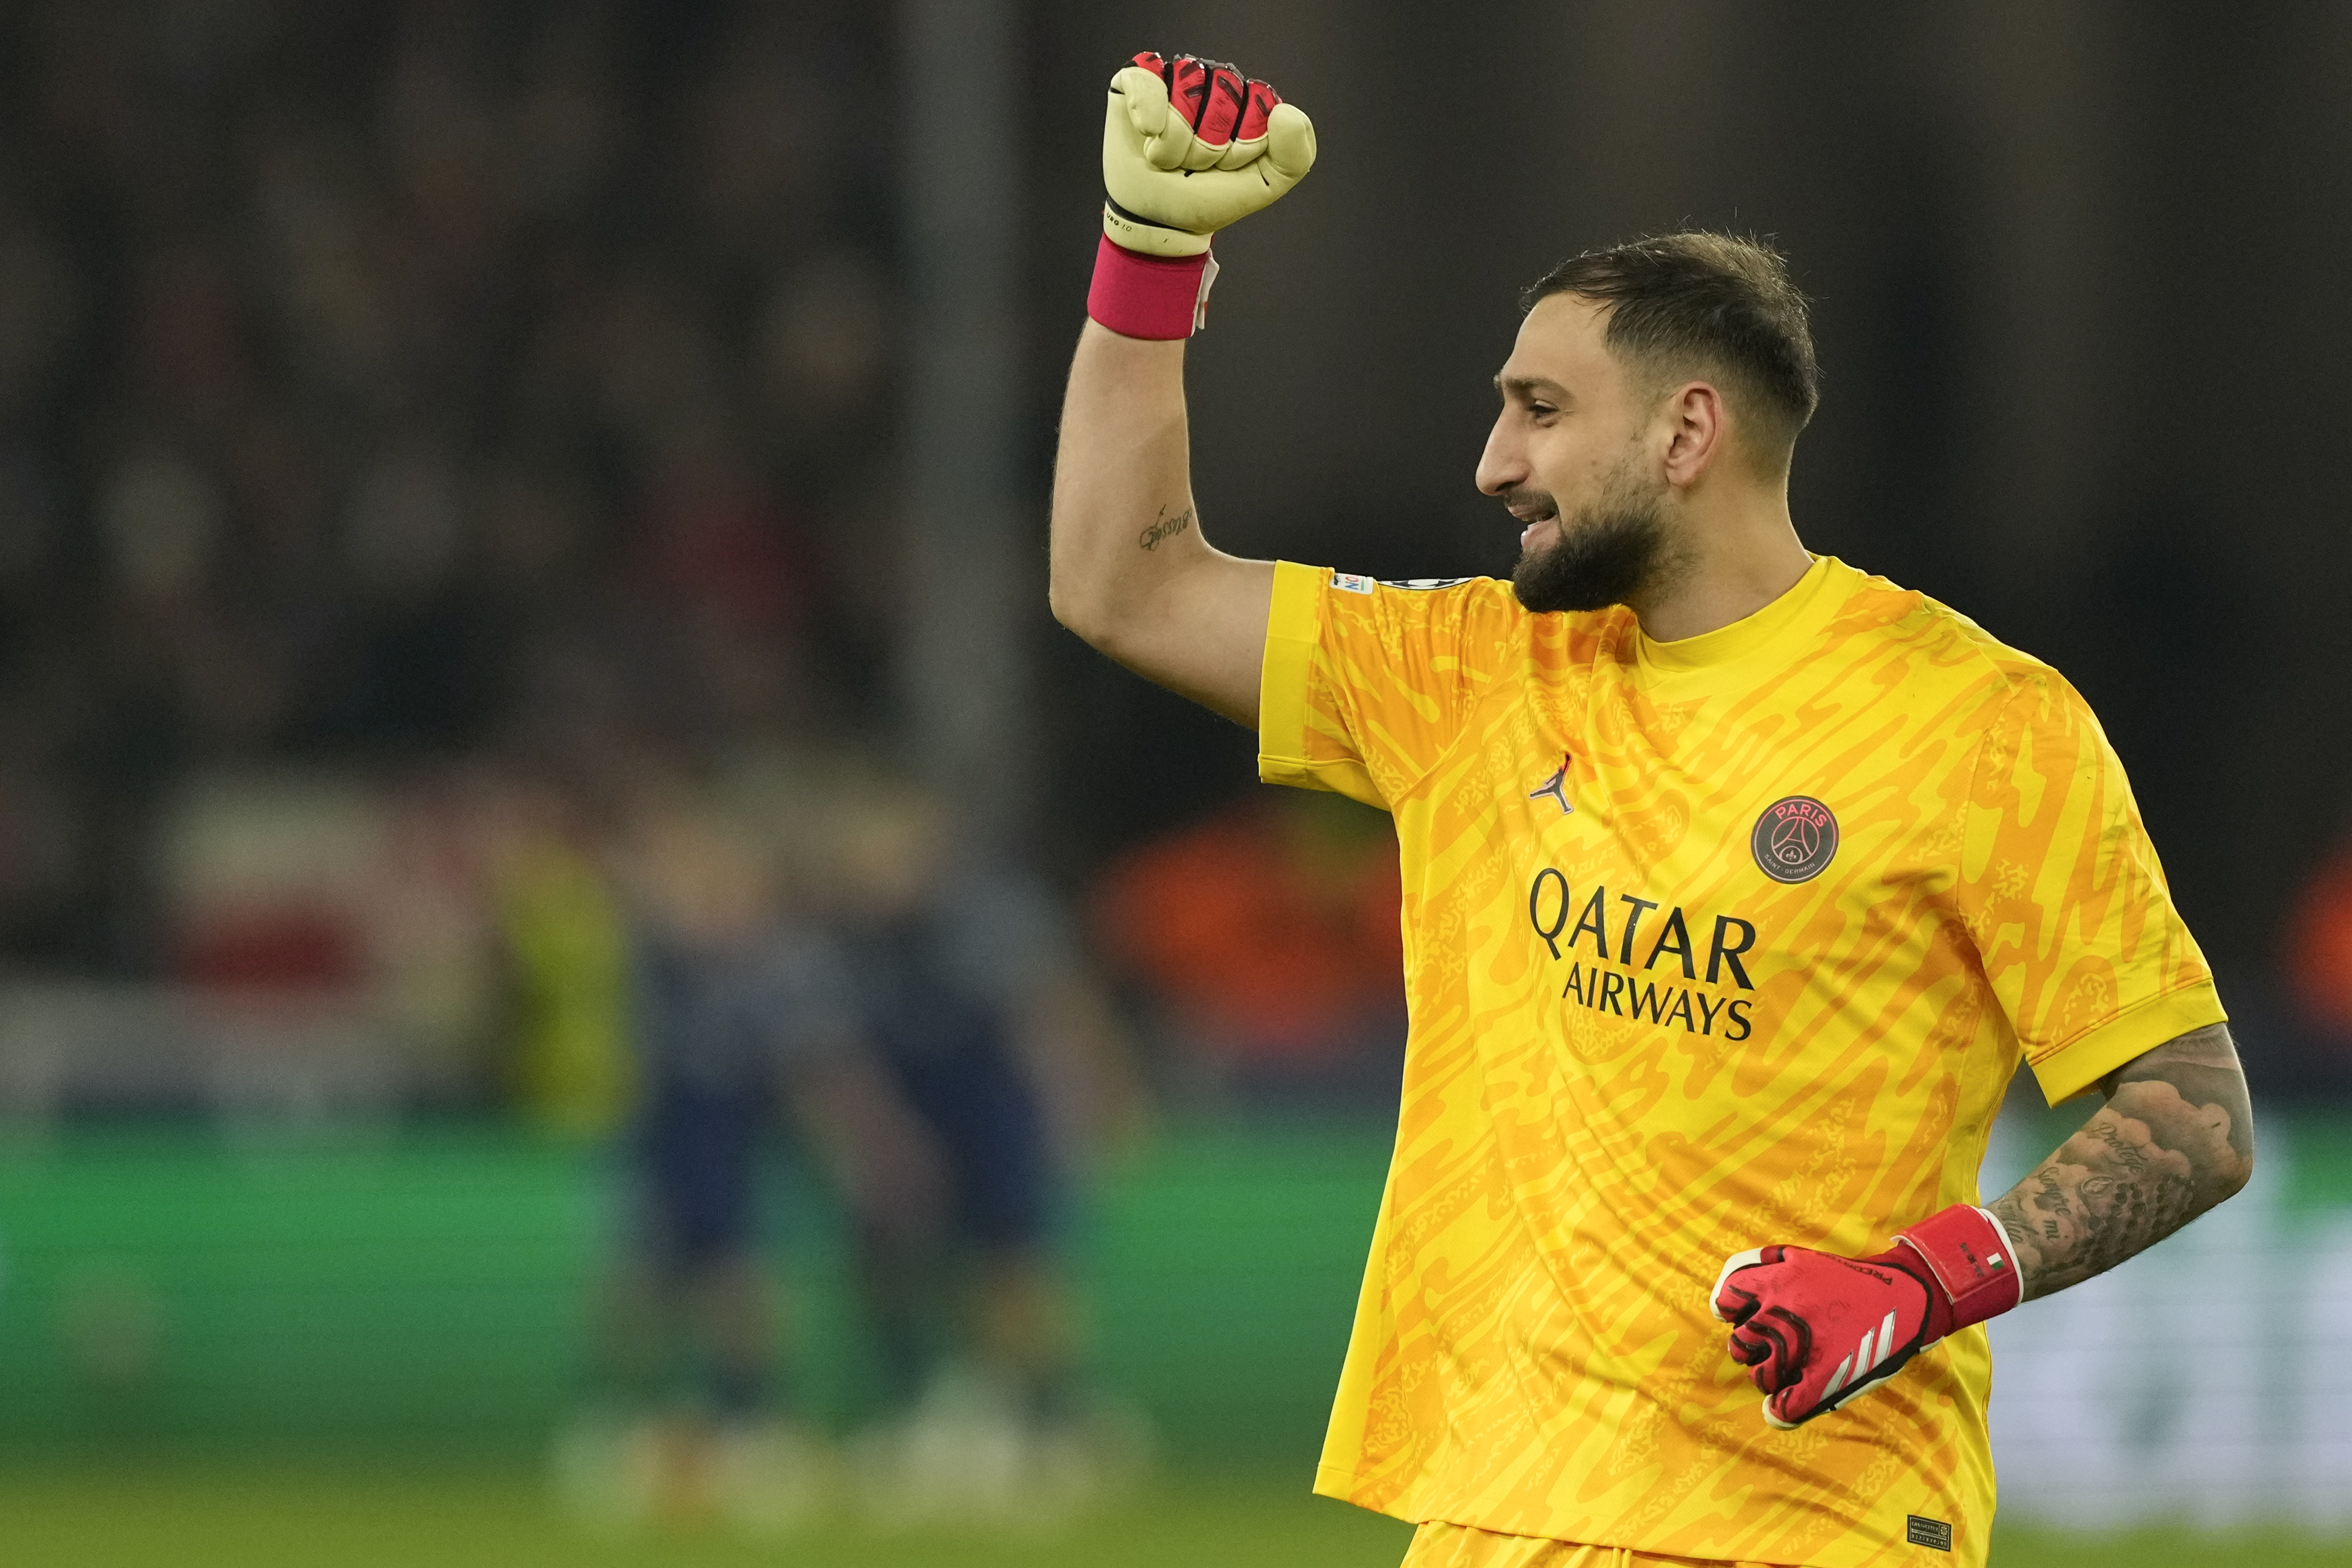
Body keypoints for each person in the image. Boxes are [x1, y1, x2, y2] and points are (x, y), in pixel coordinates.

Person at [1048, 51, 2251, 1568]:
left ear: (1686, 436)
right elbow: (1125, 585)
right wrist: (1150, 257)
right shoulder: (1474, 672)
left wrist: (1915, 1284)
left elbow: (2192, 1115)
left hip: (1803, 1523)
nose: (1494, 463)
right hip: (1497, 1514)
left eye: (1540, 411)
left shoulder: (1979, 723)